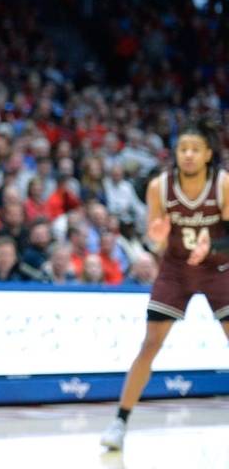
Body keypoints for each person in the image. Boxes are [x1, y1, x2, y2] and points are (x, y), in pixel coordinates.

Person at [101, 119, 229, 451]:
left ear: (208, 154)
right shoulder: (159, 186)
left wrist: (212, 247)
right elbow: (154, 236)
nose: (187, 155)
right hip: (175, 270)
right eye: (182, 148)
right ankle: (119, 422)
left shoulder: (223, 185)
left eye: (195, 149)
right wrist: (155, 239)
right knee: (149, 345)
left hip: (218, 269)